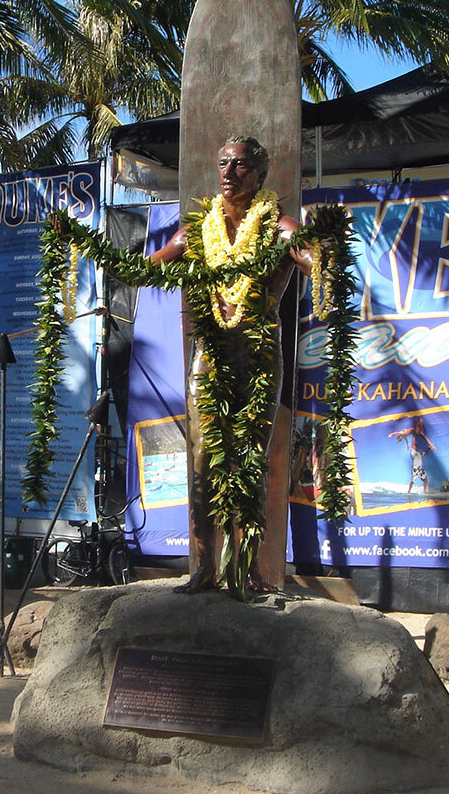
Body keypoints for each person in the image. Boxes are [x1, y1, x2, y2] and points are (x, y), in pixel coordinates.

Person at [142, 136, 314, 594]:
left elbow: (307, 254)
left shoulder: (278, 225)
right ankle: (203, 568)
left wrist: (323, 257)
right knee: (202, 459)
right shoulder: (199, 229)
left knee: (251, 462)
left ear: (259, 174)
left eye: (239, 166)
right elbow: (150, 268)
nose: (228, 173)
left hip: (258, 354)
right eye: (222, 164)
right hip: (211, 354)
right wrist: (83, 247)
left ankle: (252, 570)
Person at [388, 419, 435, 494]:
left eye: (400, 439)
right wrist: (391, 434)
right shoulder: (402, 434)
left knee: (426, 479)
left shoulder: (420, 454)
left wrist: (429, 448)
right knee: (413, 480)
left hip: (420, 469)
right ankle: (409, 491)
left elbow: (425, 453)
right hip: (415, 468)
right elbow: (397, 433)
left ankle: (424, 491)